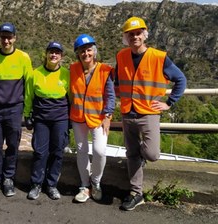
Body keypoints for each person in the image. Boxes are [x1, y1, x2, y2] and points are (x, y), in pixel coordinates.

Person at [115, 16, 187, 211]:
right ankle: (135, 193)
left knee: (152, 153)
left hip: (149, 113)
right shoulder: (121, 56)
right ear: (126, 37)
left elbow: (181, 79)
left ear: (144, 34)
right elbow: (117, 81)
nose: (135, 37)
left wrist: (169, 103)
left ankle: (141, 161)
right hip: (127, 112)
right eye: (130, 34)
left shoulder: (158, 57)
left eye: (138, 33)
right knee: (131, 153)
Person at [0, 22, 33, 197]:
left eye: (9, 37)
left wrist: (26, 110)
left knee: (12, 145)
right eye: (3, 37)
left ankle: (8, 178)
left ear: (14, 38)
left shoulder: (23, 57)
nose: (6, 40)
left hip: (15, 109)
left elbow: (29, 86)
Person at [70, 34, 115, 203]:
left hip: (98, 118)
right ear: (78, 54)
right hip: (78, 117)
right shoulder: (73, 69)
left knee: (100, 151)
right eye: (82, 51)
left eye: (89, 50)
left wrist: (108, 115)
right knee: (81, 151)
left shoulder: (105, 70)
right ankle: (84, 185)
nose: (86, 54)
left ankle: (95, 182)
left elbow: (110, 96)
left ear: (94, 52)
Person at [24, 42, 70, 200]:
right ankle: (36, 184)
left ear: (61, 56)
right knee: (39, 152)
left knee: (57, 152)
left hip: (60, 119)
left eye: (57, 53)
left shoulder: (66, 74)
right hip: (41, 119)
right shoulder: (35, 74)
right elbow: (29, 96)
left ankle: (51, 185)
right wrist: (27, 115)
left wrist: (70, 120)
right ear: (46, 54)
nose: (54, 55)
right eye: (51, 52)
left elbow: (70, 98)